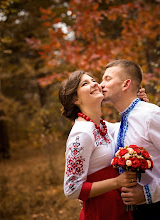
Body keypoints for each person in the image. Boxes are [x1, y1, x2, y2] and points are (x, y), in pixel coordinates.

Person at [100, 60, 160, 219]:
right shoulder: (122, 124)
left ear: (126, 84)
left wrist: (148, 193)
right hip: (134, 212)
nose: (101, 84)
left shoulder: (151, 116)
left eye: (107, 79)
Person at [59, 70, 138, 220]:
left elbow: (131, 125)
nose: (95, 84)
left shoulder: (101, 126)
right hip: (101, 211)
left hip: (117, 205)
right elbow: (71, 189)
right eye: (85, 83)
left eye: (93, 80)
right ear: (75, 99)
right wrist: (118, 182)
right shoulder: (81, 134)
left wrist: (139, 101)